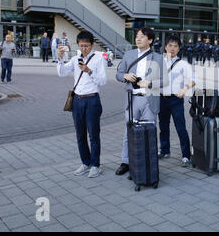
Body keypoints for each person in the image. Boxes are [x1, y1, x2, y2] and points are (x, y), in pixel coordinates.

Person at [115, 27, 168, 176]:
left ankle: (147, 162)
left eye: (142, 37)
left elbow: (165, 80)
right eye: (137, 36)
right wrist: (125, 76)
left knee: (149, 133)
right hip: (132, 99)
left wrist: (149, 84)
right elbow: (118, 74)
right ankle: (125, 161)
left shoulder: (158, 57)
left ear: (150, 40)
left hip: (149, 100)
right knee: (128, 132)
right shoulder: (129, 54)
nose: (138, 39)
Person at [57, 31, 107, 178]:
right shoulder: (75, 59)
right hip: (77, 100)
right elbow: (62, 72)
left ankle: (95, 165)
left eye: (86, 46)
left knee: (93, 134)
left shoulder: (99, 59)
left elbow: (103, 81)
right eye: (81, 46)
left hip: (92, 100)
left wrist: (89, 71)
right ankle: (85, 162)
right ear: (77, 45)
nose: (84, 49)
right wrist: (60, 58)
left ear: (92, 45)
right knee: (80, 134)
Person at [158, 35, 196, 166]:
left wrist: (184, 89)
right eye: (170, 45)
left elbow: (193, 80)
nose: (172, 48)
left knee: (180, 127)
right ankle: (164, 150)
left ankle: (186, 155)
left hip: (176, 100)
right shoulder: (160, 62)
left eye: (175, 46)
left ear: (179, 48)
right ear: (165, 47)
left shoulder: (183, 64)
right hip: (162, 99)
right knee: (163, 126)